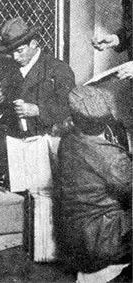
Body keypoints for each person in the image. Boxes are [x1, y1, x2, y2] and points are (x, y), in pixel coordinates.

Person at [55, 85, 131, 283]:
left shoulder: (68, 142)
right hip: (103, 242)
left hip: (75, 238)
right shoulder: (110, 156)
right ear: (106, 121)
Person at [0, 16, 76, 138]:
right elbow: (8, 107)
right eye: (11, 52)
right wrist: (0, 100)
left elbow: (70, 107)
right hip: (16, 140)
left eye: (20, 51)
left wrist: (38, 110)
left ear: (34, 43)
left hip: (48, 140)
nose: (15, 57)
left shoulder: (58, 69)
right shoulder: (10, 69)